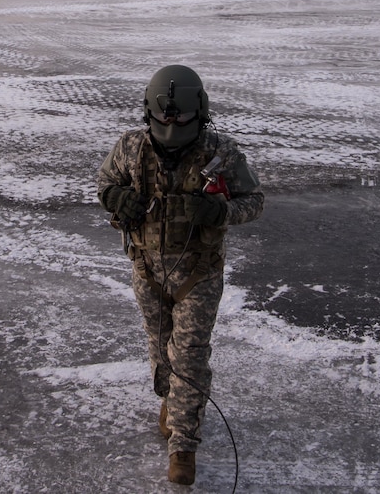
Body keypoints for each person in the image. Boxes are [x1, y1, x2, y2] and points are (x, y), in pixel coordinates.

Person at [96, 65, 264, 486]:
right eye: (164, 117)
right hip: (147, 269)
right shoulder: (131, 148)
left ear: (200, 112)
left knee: (187, 354)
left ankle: (184, 446)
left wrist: (221, 211)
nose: (172, 125)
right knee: (160, 351)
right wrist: (116, 197)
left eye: (181, 117)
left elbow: (255, 200)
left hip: (199, 274)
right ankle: (171, 401)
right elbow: (104, 182)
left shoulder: (221, 153)